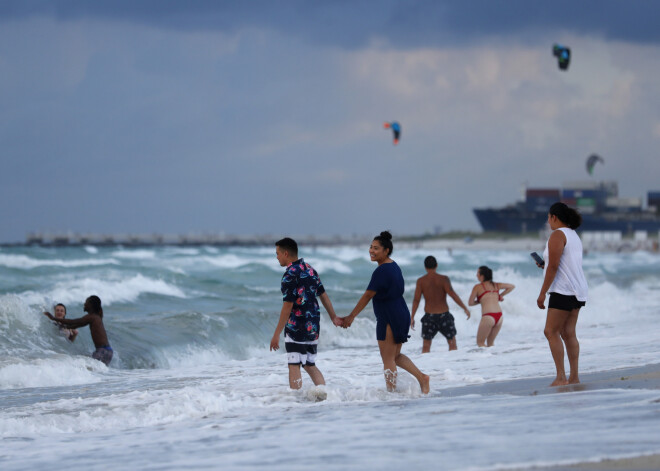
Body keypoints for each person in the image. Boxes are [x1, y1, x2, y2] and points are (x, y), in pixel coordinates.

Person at [340, 231, 430, 394]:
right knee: (395, 356)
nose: (371, 251)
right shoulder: (394, 266)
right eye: (370, 247)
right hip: (400, 313)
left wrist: (351, 316)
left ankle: (391, 393)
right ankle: (422, 378)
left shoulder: (381, 271)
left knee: (388, 359)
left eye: (376, 248)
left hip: (389, 316)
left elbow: (368, 295)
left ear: (386, 250)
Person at [270, 237, 342, 390]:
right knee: (310, 364)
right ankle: (325, 394)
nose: (276, 257)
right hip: (313, 325)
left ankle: (296, 404)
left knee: (294, 364)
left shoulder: (289, 274)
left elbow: (287, 306)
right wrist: (333, 316)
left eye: (277, 253)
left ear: (286, 253)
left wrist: (276, 334)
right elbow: (323, 295)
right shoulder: (310, 269)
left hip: (297, 326)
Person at [536, 202, 588, 386]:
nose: (548, 221)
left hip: (563, 290)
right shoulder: (573, 235)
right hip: (578, 289)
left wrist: (542, 293)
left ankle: (560, 377)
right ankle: (574, 377)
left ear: (554, 217)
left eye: (548, 217)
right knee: (568, 332)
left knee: (550, 331)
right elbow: (561, 263)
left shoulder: (557, 235)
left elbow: (554, 266)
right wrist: (545, 264)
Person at [411, 255, 471, 352]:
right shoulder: (444, 279)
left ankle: (425, 366)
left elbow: (416, 300)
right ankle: (454, 365)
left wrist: (412, 317)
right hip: (444, 316)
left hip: (429, 318)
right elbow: (453, 296)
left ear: (425, 267)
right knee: (452, 344)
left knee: (426, 346)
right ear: (437, 265)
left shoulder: (421, 281)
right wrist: (465, 308)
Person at [43, 295, 113, 366]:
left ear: (91, 305)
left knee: (88, 368)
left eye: (86, 302)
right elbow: (76, 325)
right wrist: (62, 325)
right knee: (96, 372)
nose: (84, 304)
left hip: (102, 351)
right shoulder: (95, 317)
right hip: (107, 351)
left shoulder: (92, 317)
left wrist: (53, 318)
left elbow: (73, 321)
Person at [468, 266, 515, 347]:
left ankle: (484, 359)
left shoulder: (477, 287)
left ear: (482, 276)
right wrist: (500, 295)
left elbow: (470, 303)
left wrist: (480, 301)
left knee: (480, 343)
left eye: (477, 273)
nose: (476, 275)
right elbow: (512, 286)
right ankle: (494, 359)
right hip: (499, 317)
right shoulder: (497, 285)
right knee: (491, 344)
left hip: (488, 317)